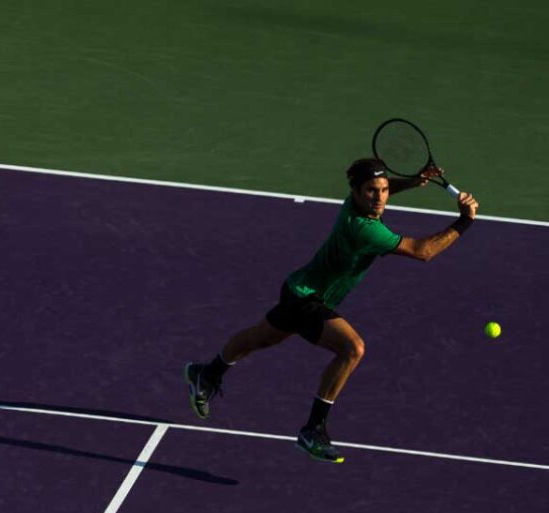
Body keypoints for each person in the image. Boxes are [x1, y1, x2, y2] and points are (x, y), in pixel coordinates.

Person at [185, 159, 480, 462]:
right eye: (371, 191)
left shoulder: (353, 203)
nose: (379, 197)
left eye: (384, 190)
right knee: (352, 349)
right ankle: (313, 429)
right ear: (355, 192)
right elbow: (423, 251)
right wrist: (464, 221)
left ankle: (206, 373)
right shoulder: (364, 229)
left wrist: (414, 180)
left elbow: (381, 190)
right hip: (307, 299)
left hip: (298, 288)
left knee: (258, 339)